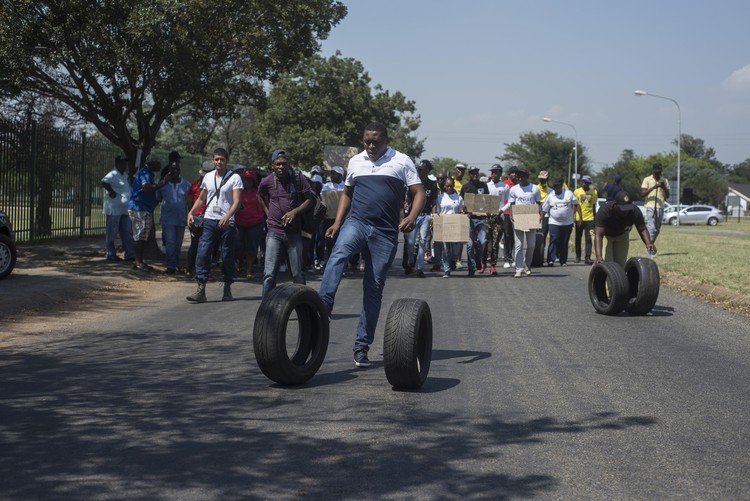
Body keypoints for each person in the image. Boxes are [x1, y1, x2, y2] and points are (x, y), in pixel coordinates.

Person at [318, 122, 425, 368]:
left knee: (373, 287)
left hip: (385, 232)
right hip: (357, 222)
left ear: (386, 140)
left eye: (376, 141)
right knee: (339, 254)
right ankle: (324, 304)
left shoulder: (402, 161)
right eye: (367, 141)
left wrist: (411, 217)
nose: (371, 146)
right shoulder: (356, 162)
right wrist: (337, 222)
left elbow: (419, 192)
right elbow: (347, 193)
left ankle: (361, 347)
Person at [186, 147, 243, 303]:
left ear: (227, 161)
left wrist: (228, 216)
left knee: (227, 255)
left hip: (227, 222)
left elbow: (237, 201)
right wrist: (191, 212)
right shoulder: (208, 177)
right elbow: (201, 198)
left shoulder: (235, 178)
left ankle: (227, 287)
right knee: (203, 252)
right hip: (209, 219)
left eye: (222, 159)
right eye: (216, 159)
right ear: (213, 160)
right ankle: (200, 289)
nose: (219, 162)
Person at [256, 149, 313, 298]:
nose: (281, 167)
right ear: (272, 166)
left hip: (294, 232)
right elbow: (260, 195)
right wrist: (268, 214)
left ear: (288, 165)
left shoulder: (298, 178)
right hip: (274, 232)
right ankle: (266, 310)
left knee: (297, 274)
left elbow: (309, 199)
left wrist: (294, 212)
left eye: (284, 164)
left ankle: (304, 307)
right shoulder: (267, 181)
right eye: (278, 164)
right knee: (269, 274)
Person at [594, 190, 656, 266]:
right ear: (615, 204)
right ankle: (599, 277)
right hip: (606, 236)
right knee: (606, 263)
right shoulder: (605, 210)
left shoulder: (634, 211)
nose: (625, 211)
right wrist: (598, 256)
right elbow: (599, 234)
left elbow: (642, 228)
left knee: (620, 265)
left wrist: (648, 243)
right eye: (622, 208)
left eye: (627, 208)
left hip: (622, 235)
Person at [128, 155, 168, 271]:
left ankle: (139, 261)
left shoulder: (148, 173)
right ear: (151, 163)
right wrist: (162, 183)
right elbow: (146, 187)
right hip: (139, 208)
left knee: (141, 236)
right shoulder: (145, 173)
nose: (159, 165)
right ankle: (138, 262)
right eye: (158, 163)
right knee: (139, 236)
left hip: (143, 208)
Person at [156, 154, 191, 275]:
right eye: (172, 169)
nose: (175, 171)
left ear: (179, 170)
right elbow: (158, 198)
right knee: (170, 243)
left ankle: (175, 264)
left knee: (178, 244)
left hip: (181, 218)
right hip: (167, 219)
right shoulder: (163, 184)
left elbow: (190, 201)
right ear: (169, 170)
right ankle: (171, 266)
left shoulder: (186, 184)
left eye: (177, 169)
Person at [506, 167, 542, 278]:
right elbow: (512, 204)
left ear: (527, 176)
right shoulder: (514, 189)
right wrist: (511, 215)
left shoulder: (534, 188)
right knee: (519, 245)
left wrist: (541, 216)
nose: (520, 177)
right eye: (518, 175)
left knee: (531, 245)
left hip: (531, 219)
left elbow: (538, 203)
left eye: (522, 175)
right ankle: (519, 268)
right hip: (518, 219)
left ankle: (527, 265)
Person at [404, 159, 438, 277]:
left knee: (423, 241)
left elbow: (433, 202)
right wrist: (406, 205)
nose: (419, 171)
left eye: (421, 170)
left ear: (427, 171)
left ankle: (419, 268)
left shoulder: (432, 185)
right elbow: (408, 199)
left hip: (426, 215)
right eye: (418, 169)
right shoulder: (413, 183)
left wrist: (433, 216)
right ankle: (410, 262)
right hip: (414, 215)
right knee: (411, 242)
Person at [101, 154, 135, 262]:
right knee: (112, 232)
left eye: (125, 163)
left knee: (127, 232)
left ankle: (129, 254)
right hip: (114, 209)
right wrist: (111, 191)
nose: (124, 165)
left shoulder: (125, 175)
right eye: (121, 163)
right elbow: (104, 181)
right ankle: (111, 254)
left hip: (124, 209)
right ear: (117, 163)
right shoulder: (113, 174)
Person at [542, 177, 581, 266]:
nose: (556, 188)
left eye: (558, 186)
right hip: (554, 222)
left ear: (561, 186)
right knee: (554, 240)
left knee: (564, 241)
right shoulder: (550, 196)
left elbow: (576, 204)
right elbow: (544, 210)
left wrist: (580, 218)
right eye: (554, 186)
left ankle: (563, 261)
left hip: (567, 223)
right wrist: (540, 219)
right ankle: (550, 259)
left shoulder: (569, 194)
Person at [185, 161, 214, 278]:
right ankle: (190, 269)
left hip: (210, 218)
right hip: (197, 218)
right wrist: (191, 215)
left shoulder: (214, 185)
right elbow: (189, 201)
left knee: (207, 246)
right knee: (195, 245)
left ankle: (202, 271)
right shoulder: (195, 185)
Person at [235, 170, 265, 279]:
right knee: (238, 245)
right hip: (239, 222)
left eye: (248, 180)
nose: (245, 182)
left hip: (255, 222)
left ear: (253, 182)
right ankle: (240, 263)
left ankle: (249, 269)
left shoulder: (259, 192)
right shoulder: (238, 191)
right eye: (244, 180)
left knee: (252, 246)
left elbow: (264, 205)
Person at [460, 166, 490, 276]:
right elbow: (461, 202)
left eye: (476, 173)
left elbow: (487, 201)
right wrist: (464, 210)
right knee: (470, 245)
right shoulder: (465, 187)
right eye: (472, 173)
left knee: (482, 242)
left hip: (481, 219)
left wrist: (488, 210)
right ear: (469, 175)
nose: (475, 175)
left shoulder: (483, 186)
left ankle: (478, 259)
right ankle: (471, 268)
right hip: (470, 219)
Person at [434, 177, 464, 278]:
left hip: (455, 225)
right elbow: (438, 211)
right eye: (447, 186)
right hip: (444, 225)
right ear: (445, 186)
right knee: (445, 249)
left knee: (456, 248)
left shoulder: (458, 198)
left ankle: (453, 260)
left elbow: (461, 211)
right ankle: (447, 270)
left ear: (454, 185)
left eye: (451, 185)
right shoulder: (440, 198)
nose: (449, 187)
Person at [484, 163, 508, 275]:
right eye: (492, 172)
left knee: (495, 242)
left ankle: (493, 265)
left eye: (496, 172)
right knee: (485, 241)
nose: (493, 174)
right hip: (487, 217)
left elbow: (510, 202)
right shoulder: (487, 186)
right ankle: (483, 263)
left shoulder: (504, 187)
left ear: (500, 173)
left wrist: (502, 210)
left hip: (499, 217)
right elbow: (482, 201)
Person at [641, 163, 670, 247]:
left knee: (657, 230)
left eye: (659, 172)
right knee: (652, 228)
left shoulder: (664, 180)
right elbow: (642, 194)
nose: (658, 174)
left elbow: (667, 196)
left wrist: (664, 187)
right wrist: (654, 187)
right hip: (650, 206)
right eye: (656, 172)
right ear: (652, 171)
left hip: (660, 207)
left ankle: (650, 243)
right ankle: (650, 247)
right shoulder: (647, 180)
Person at [574, 175, 598, 265]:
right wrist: (574, 218)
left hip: (590, 218)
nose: (584, 184)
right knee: (578, 238)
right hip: (579, 218)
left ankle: (587, 258)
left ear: (589, 183)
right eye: (583, 182)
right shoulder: (577, 191)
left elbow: (593, 206)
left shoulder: (594, 192)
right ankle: (577, 256)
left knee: (588, 239)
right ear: (581, 183)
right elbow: (575, 205)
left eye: (586, 182)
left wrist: (595, 219)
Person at [501, 166, 519, 268]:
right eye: (513, 173)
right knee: (507, 235)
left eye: (516, 173)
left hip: (517, 213)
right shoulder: (504, 184)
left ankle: (513, 257)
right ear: (509, 174)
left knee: (516, 236)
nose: (515, 175)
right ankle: (506, 258)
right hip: (507, 213)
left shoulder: (519, 185)